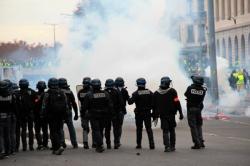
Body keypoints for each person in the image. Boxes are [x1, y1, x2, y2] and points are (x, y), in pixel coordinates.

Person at [153, 77, 184, 152]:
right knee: (172, 130)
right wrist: (180, 112)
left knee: (165, 131)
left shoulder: (156, 93)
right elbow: (177, 102)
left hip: (162, 115)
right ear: (167, 83)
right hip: (171, 115)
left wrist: (155, 116)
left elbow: (154, 106)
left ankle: (167, 147)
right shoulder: (172, 91)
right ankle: (172, 146)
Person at [83, 79, 113, 153]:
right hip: (104, 115)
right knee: (100, 130)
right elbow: (110, 105)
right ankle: (99, 145)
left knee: (96, 130)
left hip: (94, 115)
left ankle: (99, 145)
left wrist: (83, 114)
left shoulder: (89, 95)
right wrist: (111, 114)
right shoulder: (105, 93)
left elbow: (84, 107)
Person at [42, 78, 68, 155]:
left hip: (51, 115)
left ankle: (58, 147)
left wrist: (43, 114)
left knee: (53, 132)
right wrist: (65, 115)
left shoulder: (47, 93)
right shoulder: (62, 92)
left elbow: (44, 105)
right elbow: (66, 105)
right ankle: (57, 146)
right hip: (60, 115)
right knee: (59, 130)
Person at [128, 78, 155, 150]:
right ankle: (152, 144)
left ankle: (139, 144)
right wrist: (153, 113)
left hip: (139, 114)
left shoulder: (136, 93)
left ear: (137, 84)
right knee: (149, 129)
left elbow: (130, 102)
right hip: (147, 113)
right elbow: (154, 104)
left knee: (139, 129)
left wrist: (128, 97)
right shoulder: (150, 92)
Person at [185, 75, 207, 149]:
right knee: (199, 125)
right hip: (198, 109)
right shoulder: (203, 90)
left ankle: (197, 143)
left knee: (193, 126)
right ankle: (201, 142)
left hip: (191, 109)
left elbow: (186, 94)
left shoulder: (190, 88)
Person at [16, 79, 36, 151]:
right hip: (30, 113)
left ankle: (24, 146)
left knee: (24, 130)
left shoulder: (18, 93)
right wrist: (33, 106)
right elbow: (36, 100)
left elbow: (16, 104)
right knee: (30, 130)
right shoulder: (32, 92)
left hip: (22, 114)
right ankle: (31, 146)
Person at [58, 78, 78, 149]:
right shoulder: (69, 91)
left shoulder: (56, 91)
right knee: (71, 127)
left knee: (60, 127)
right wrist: (76, 113)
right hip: (68, 111)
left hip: (59, 112)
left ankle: (62, 142)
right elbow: (74, 103)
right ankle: (74, 143)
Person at [104, 79, 124, 149]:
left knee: (107, 129)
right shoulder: (117, 92)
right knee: (116, 129)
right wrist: (122, 111)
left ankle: (108, 144)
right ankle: (116, 143)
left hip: (106, 114)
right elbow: (121, 103)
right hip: (115, 113)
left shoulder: (104, 92)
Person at [77, 77, 95, 149]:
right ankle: (95, 143)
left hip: (84, 111)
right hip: (92, 111)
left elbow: (80, 100)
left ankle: (85, 143)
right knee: (94, 128)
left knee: (85, 128)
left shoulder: (80, 92)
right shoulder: (93, 91)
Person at [0, 80, 15, 159]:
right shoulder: (11, 95)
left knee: (1, 135)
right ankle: (7, 152)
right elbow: (14, 107)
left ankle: (1, 151)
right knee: (7, 135)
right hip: (8, 117)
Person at [114, 77, 129, 147]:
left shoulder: (112, 90)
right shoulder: (124, 91)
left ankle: (109, 142)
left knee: (114, 127)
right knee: (119, 127)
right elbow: (128, 101)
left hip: (112, 111)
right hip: (120, 111)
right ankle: (117, 141)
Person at [34, 81, 49, 150]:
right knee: (45, 131)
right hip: (45, 116)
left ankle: (40, 144)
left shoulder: (34, 94)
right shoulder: (47, 94)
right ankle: (45, 145)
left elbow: (33, 104)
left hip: (37, 115)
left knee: (37, 131)